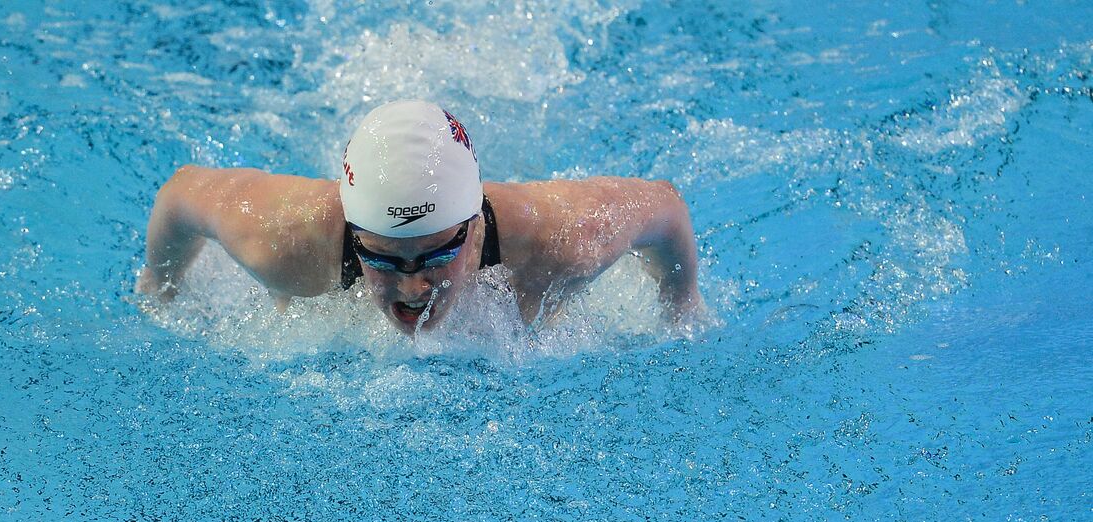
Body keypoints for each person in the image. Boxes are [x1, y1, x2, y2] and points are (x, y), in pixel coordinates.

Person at [138, 99, 703, 335]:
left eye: (437, 255)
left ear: (476, 227)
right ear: (354, 235)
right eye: (382, 258)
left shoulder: (565, 240)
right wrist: (158, 286)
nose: (412, 287)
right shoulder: (280, 240)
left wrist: (681, 306)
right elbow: (181, 193)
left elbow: (667, 206)